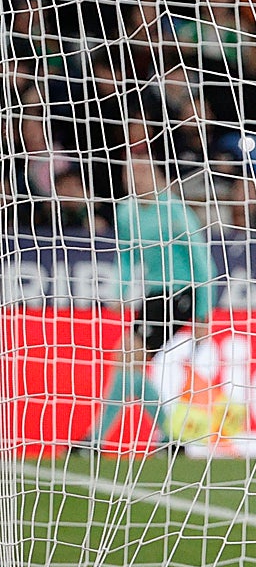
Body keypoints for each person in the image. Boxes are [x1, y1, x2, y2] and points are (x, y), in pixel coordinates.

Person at [70, 137, 216, 458]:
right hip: (152, 296)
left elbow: (204, 264)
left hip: (181, 294)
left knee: (127, 357)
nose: (134, 179)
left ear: (157, 175)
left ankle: (97, 440)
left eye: (141, 172)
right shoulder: (127, 212)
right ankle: (168, 438)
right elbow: (126, 256)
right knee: (128, 365)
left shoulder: (175, 211)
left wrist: (203, 314)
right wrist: (119, 291)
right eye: (128, 174)